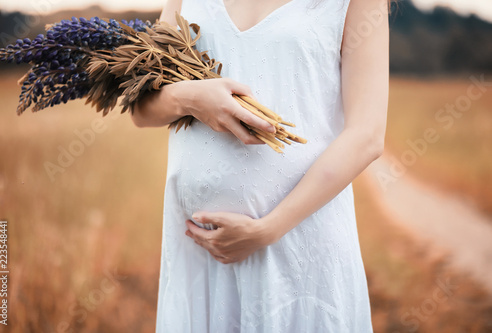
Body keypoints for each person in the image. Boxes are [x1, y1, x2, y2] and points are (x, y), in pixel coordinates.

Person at [132, 0, 389, 331]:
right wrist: (192, 99)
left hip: (298, 244)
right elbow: (141, 108)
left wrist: (268, 230)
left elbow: (366, 136)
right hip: (203, 257)